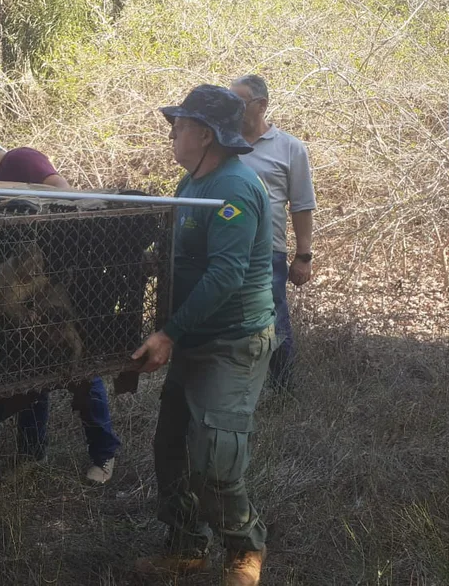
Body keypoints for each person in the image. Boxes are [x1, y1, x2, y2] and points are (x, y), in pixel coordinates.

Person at [131, 85, 275, 585]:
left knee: (215, 456)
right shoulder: (190, 182)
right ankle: (187, 544)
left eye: (181, 124)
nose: (173, 132)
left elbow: (226, 275)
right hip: (193, 337)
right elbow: (180, 253)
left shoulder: (234, 188)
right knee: (170, 447)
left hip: (232, 342)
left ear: (206, 134)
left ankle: (244, 548)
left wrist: (169, 333)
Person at [0, 125, 121, 485]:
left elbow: (64, 194)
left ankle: (104, 454)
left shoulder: (21, 159)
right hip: (21, 288)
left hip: (50, 282)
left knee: (81, 372)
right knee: (31, 370)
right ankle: (32, 452)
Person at [231, 74, 316, 392]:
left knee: (273, 318)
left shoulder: (290, 148)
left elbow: (302, 204)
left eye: (239, 102)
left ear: (262, 105)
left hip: (268, 251)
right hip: (224, 248)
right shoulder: (222, 143)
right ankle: (237, 387)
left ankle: (282, 389)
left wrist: (303, 255)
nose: (233, 109)